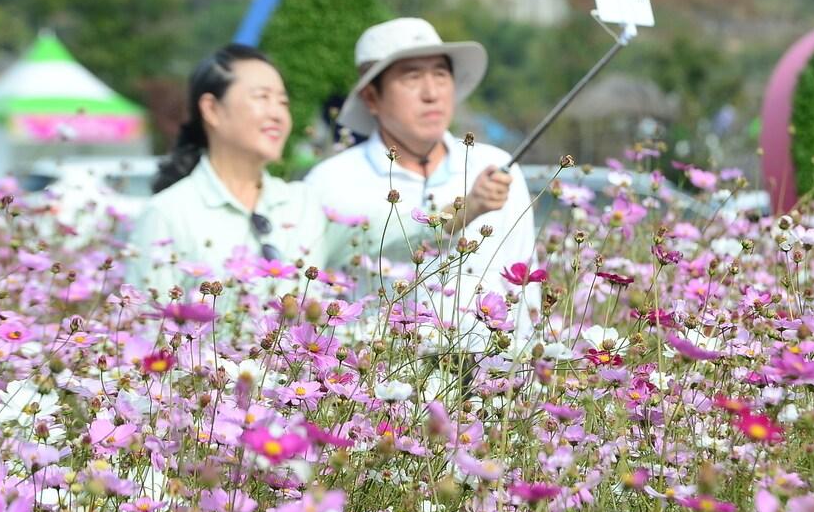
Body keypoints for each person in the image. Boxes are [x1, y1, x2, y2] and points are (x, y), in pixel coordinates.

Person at [305, 17, 537, 343]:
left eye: (441, 74)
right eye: (412, 77)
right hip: (375, 377)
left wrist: (523, 374)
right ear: (372, 97)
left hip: (489, 378)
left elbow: (524, 285)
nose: (431, 93)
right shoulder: (330, 182)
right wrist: (462, 212)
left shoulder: (495, 165)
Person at [126, 44, 333, 297]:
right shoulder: (168, 213)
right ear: (212, 109)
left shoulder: (303, 203)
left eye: (283, 101)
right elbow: (148, 326)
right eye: (262, 97)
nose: (278, 113)